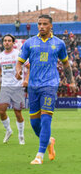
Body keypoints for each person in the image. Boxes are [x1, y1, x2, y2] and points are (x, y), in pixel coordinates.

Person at [16, 14, 76, 164]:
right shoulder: (30, 43)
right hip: (33, 86)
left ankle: (39, 155)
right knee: (35, 123)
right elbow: (20, 62)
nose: (41, 26)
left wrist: (71, 81)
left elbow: (66, 64)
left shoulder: (59, 43)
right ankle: (49, 142)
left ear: (51, 26)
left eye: (44, 24)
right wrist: (18, 70)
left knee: (46, 119)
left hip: (50, 85)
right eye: (39, 24)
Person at [0, 34, 29, 145]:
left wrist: (26, 80)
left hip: (17, 87)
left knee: (17, 113)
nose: (7, 42)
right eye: (5, 40)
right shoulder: (0, 56)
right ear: (3, 42)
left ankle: (21, 135)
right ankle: (8, 130)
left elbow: (29, 67)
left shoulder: (19, 54)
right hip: (5, 86)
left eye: (9, 40)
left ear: (13, 43)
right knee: (1, 111)